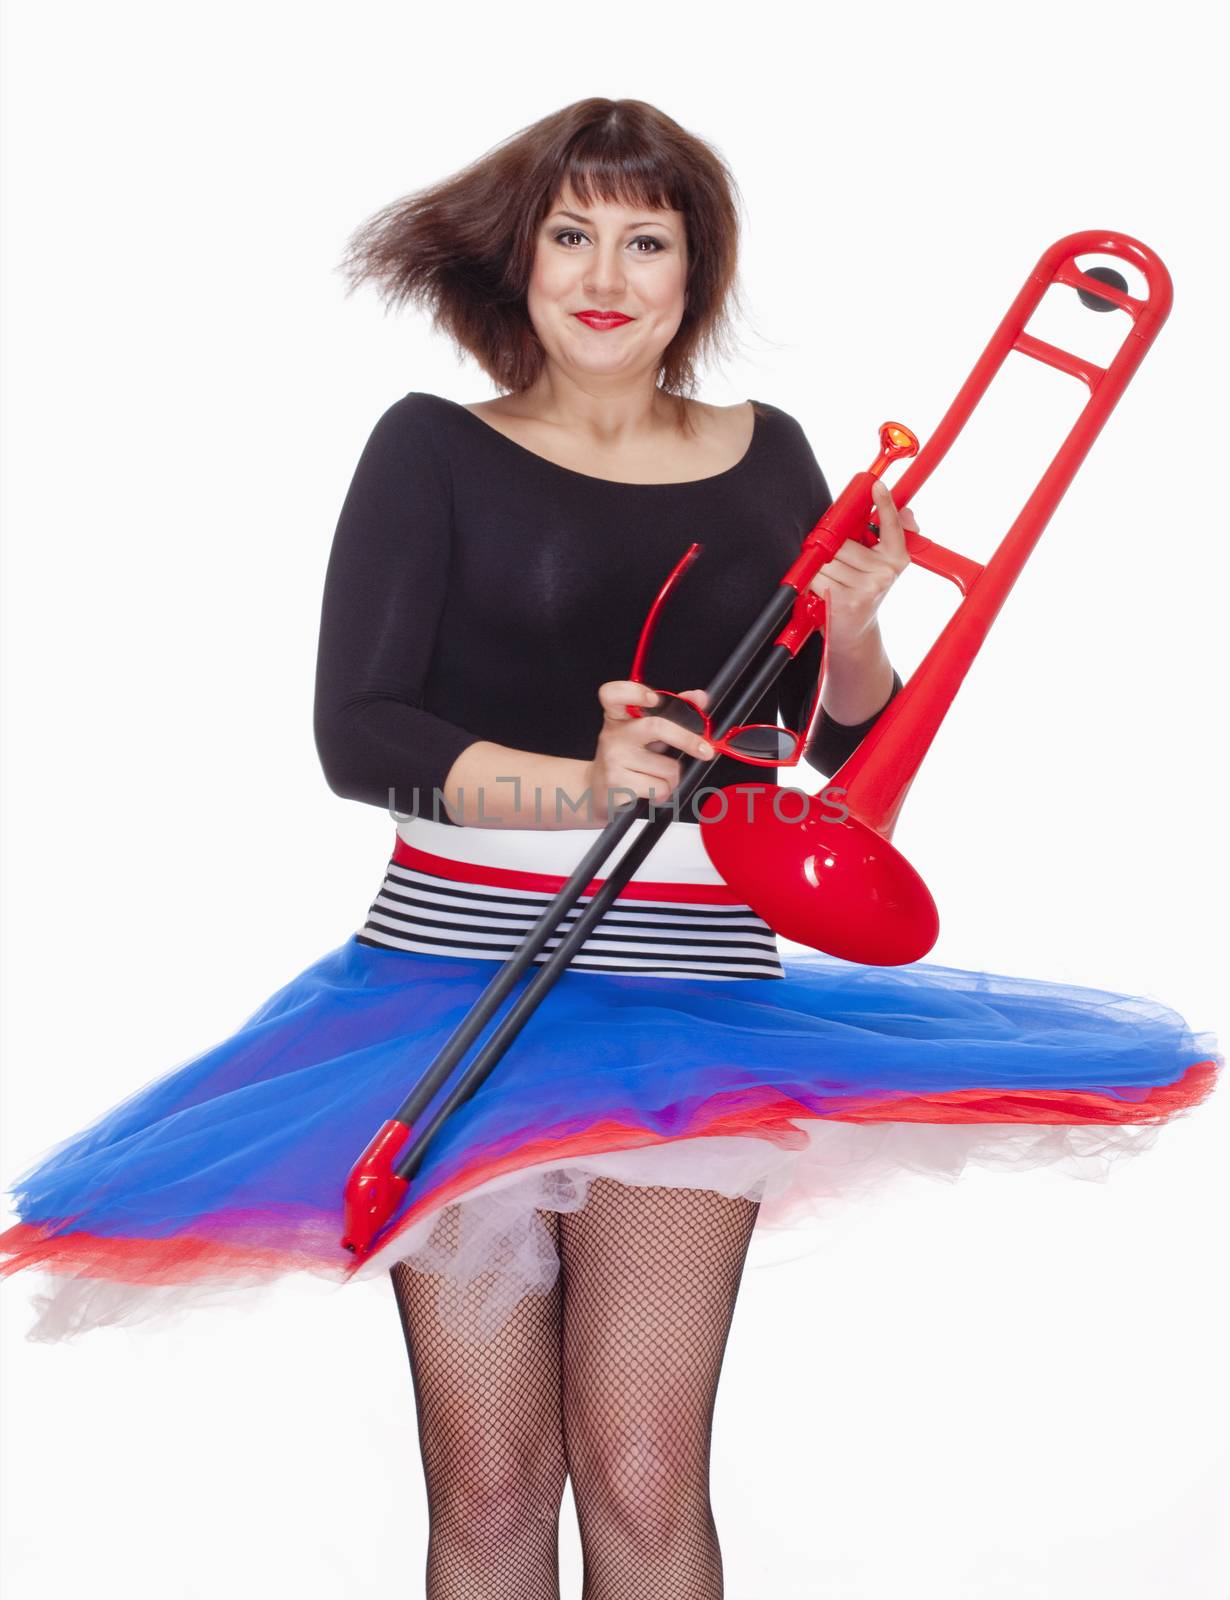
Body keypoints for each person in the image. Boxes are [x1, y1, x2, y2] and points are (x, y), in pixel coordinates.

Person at [1, 98, 1222, 1600]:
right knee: (495, 1485)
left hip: (694, 1007)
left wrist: (851, 631)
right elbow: (360, 735)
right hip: (451, 987)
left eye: (647, 239)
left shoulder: (770, 450)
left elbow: (836, 756)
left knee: (646, 1475)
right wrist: (580, 784)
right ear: (518, 260)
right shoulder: (431, 448)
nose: (606, 271)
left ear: (694, 271)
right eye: (571, 232)